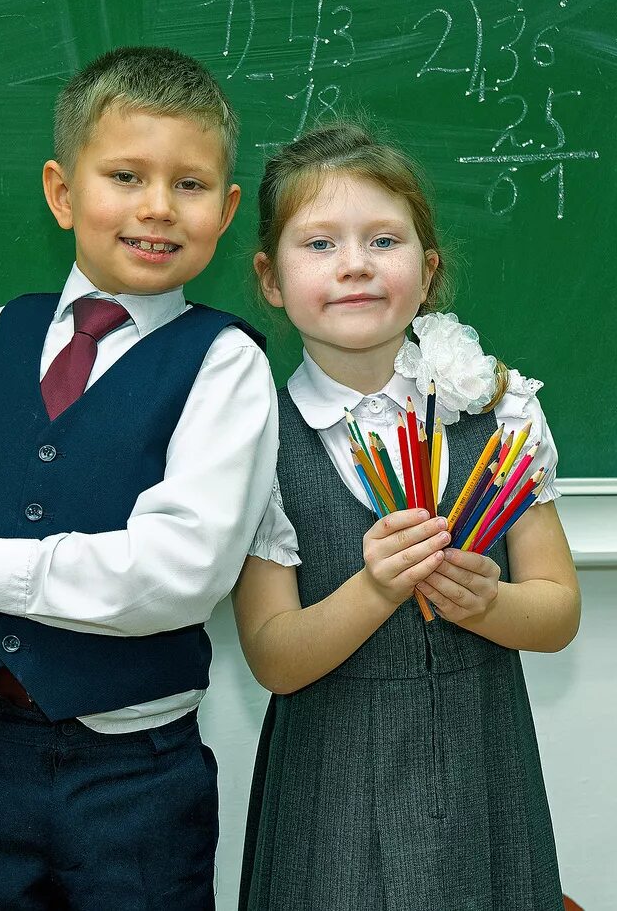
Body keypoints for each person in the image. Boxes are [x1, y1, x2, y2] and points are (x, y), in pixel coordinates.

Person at [0, 46, 279, 911]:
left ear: (227, 210)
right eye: (125, 175)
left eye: (190, 185)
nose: (157, 207)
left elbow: (179, 571)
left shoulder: (226, 363)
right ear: (61, 191)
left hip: (137, 783)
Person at [235, 122, 581, 911]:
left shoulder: (501, 411)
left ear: (427, 271)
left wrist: (489, 602)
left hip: (482, 771)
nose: (354, 263)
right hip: (329, 793)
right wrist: (375, 587)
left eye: (383, 239)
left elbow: (558, 611)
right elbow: (274, 657)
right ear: (270, 278)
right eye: (319, 243)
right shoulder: (255, 440)